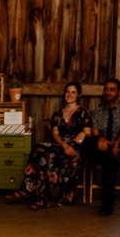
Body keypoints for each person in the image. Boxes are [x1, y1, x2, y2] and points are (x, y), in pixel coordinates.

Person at [6, 81, 92, 209]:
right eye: (67, 92)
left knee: (50, 156)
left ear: (79, 95)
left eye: (73, 92)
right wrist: (63, 145)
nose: (69, 95)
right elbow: (55, 134)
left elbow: (88, 133)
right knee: (38, 148)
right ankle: (27, 189)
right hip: (61, 145)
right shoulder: (57, 115)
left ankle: (45, 200)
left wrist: (82, 134)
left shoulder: (84, 113)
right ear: (64, 94)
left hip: (75, 148)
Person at [82, 78, 120, 215]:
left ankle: (107, 202)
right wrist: (100, 138)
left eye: (112, 89)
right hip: (105, 149)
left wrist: (116, 143)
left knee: (109, 159)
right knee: (89, 143)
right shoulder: (98, 112)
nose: (108, 92)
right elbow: (95, 132)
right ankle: (108, 201)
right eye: (106, 89)